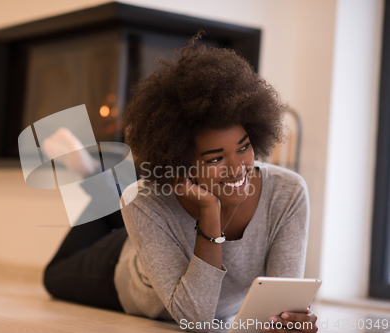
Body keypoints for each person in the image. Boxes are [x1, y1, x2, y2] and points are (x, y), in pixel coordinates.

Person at [43, 30, 318, 333]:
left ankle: (104, 172)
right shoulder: (145, 202)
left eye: (244, 147)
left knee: (136, 196)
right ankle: (93, 172)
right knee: (53, 276)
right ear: (183, 163)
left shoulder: (287, 192)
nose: (239, 168)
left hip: (156, 216)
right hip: (123, 265)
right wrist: (209, 209)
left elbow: (279, 308)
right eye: (216, 158)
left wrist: (290, 321)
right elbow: (194, 320)